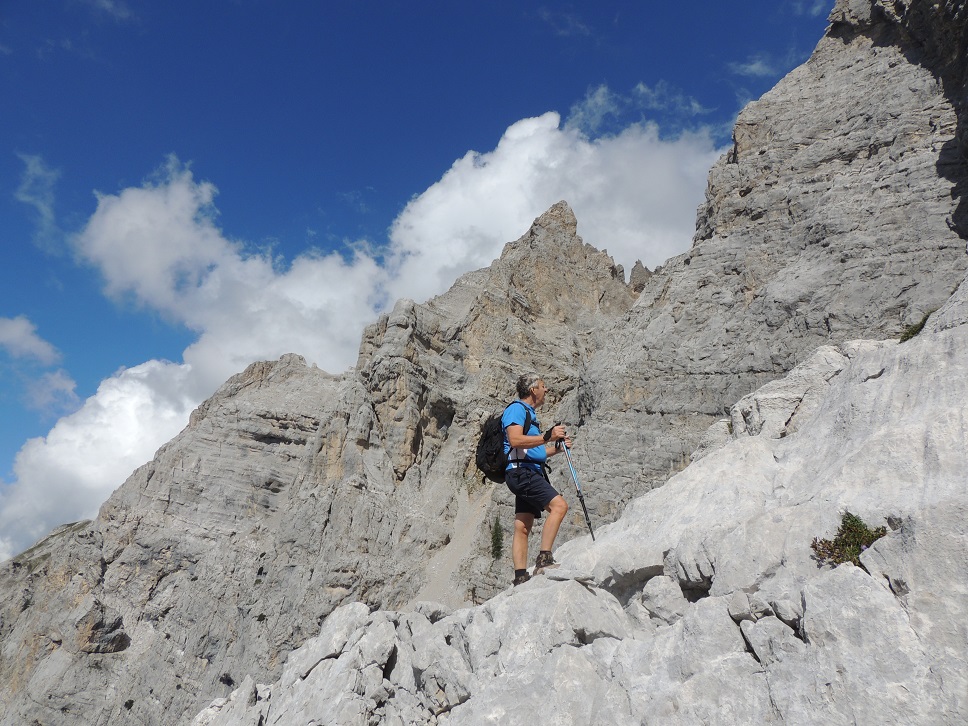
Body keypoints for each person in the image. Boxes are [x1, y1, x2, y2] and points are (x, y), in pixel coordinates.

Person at [502, 374, 571, 586]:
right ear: (533, 390)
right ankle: (544, 560)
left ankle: (520, 576)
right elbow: (514, 439)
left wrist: (556, 449)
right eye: (543, 386)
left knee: (523, 525)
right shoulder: (516, 409)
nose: (546, 390)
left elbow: (534, 452)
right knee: (559, 506)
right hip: (522, 473)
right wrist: (547, 437)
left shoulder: (528, 414)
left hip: (524, 470)